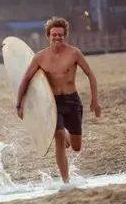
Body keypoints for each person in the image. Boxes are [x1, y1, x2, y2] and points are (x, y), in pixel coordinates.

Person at [16, 16, 102, 185]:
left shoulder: (74, 53)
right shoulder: (40, 58)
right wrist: (19, 104)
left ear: (65, 35)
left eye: (60, 35)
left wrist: (95, 100)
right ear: (48, 35)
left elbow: (90, 74)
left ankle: (70, 137)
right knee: (59, 136)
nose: (57, 38)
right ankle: (66, 181)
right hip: (53, 104)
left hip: (73, 101)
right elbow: (25, 80)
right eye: (54, 35)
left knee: (76, 147)